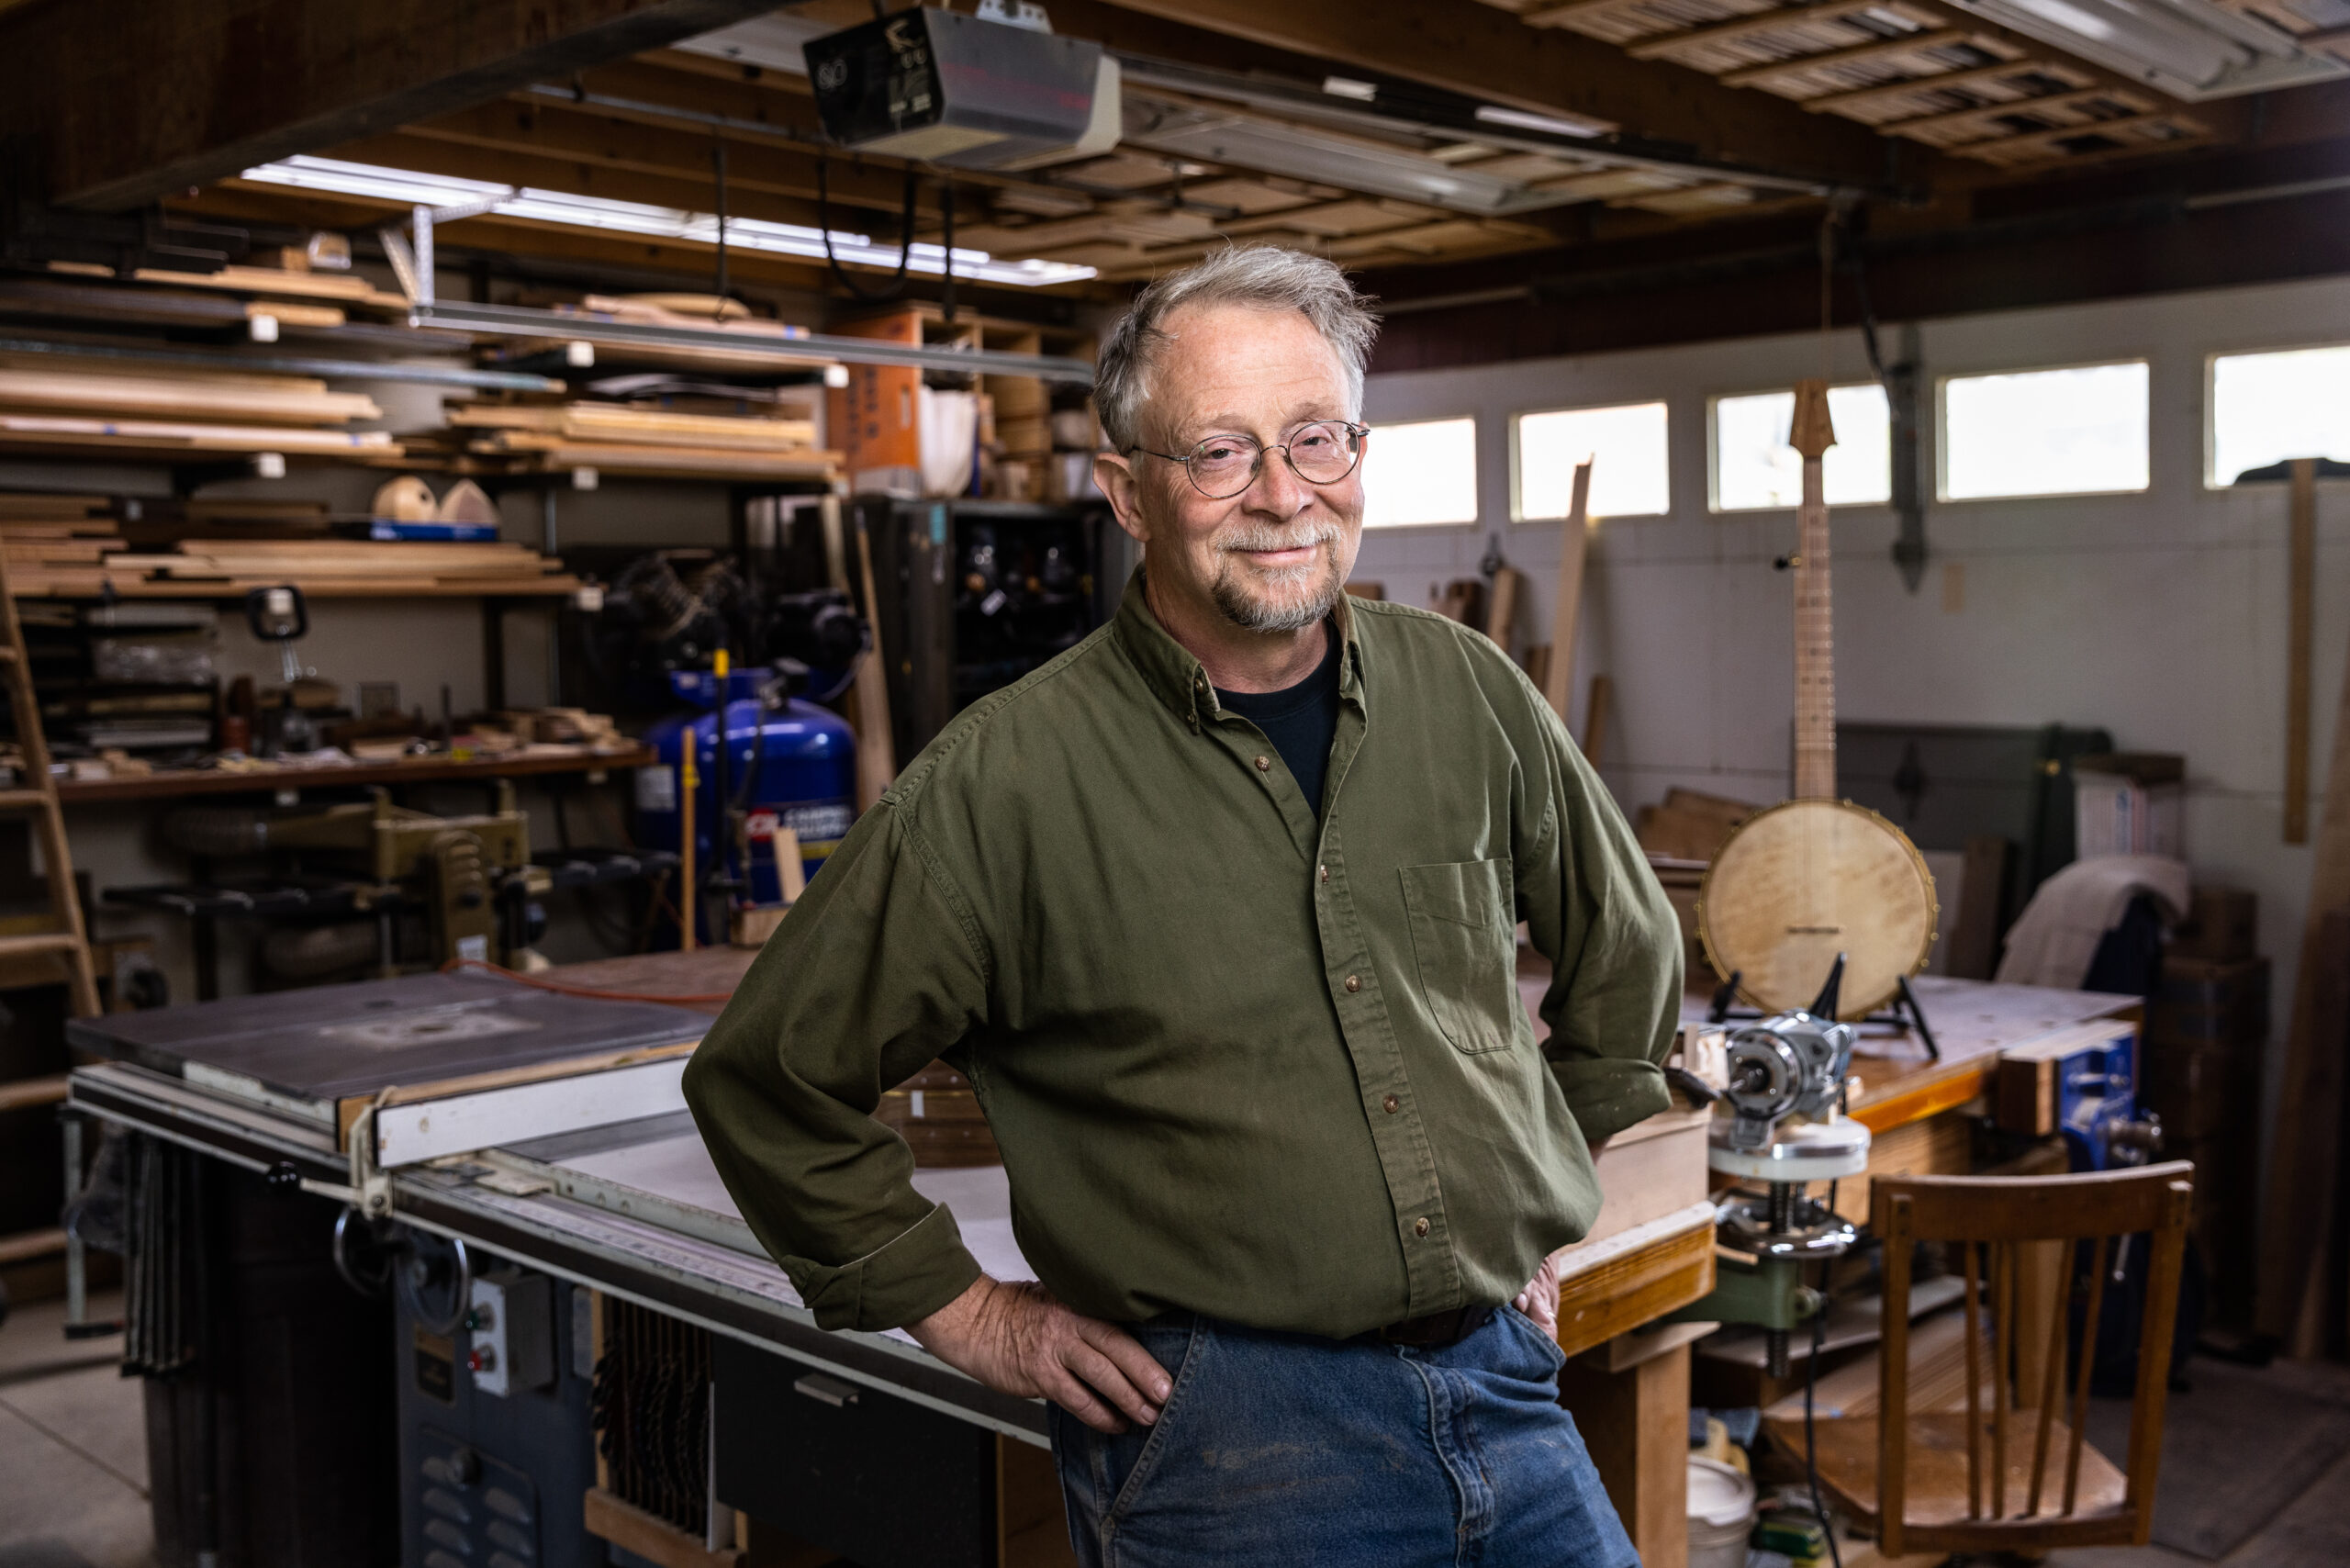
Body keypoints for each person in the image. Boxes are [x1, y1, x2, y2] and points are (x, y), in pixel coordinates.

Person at [684, 244, 1682, 1567]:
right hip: (1227, 1443)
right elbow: (767, 1082)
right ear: (1128, 494)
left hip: (1505, 1385)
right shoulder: (1004, 783)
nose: (1283, 493)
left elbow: (1629, 952)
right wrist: (972, 1315)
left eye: (1316, 438)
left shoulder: (1468, 692)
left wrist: (1534, 1186)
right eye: (1221, 452)